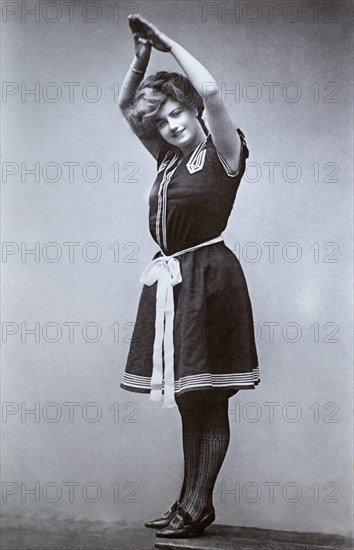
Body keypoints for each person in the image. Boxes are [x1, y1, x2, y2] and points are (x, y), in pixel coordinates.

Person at [118, 14, 260, 539]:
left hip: (212, 281)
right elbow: (126, 107)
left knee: (208, 396)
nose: (173, 124)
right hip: (176, 282)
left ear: (194, 110)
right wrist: (140, 60)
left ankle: (198, 504)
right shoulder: (168, 158)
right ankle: (188, 500)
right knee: (188, 397)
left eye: (179, 113)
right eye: (164, 120)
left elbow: (214, 91)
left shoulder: (223, 151)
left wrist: (168, 45)